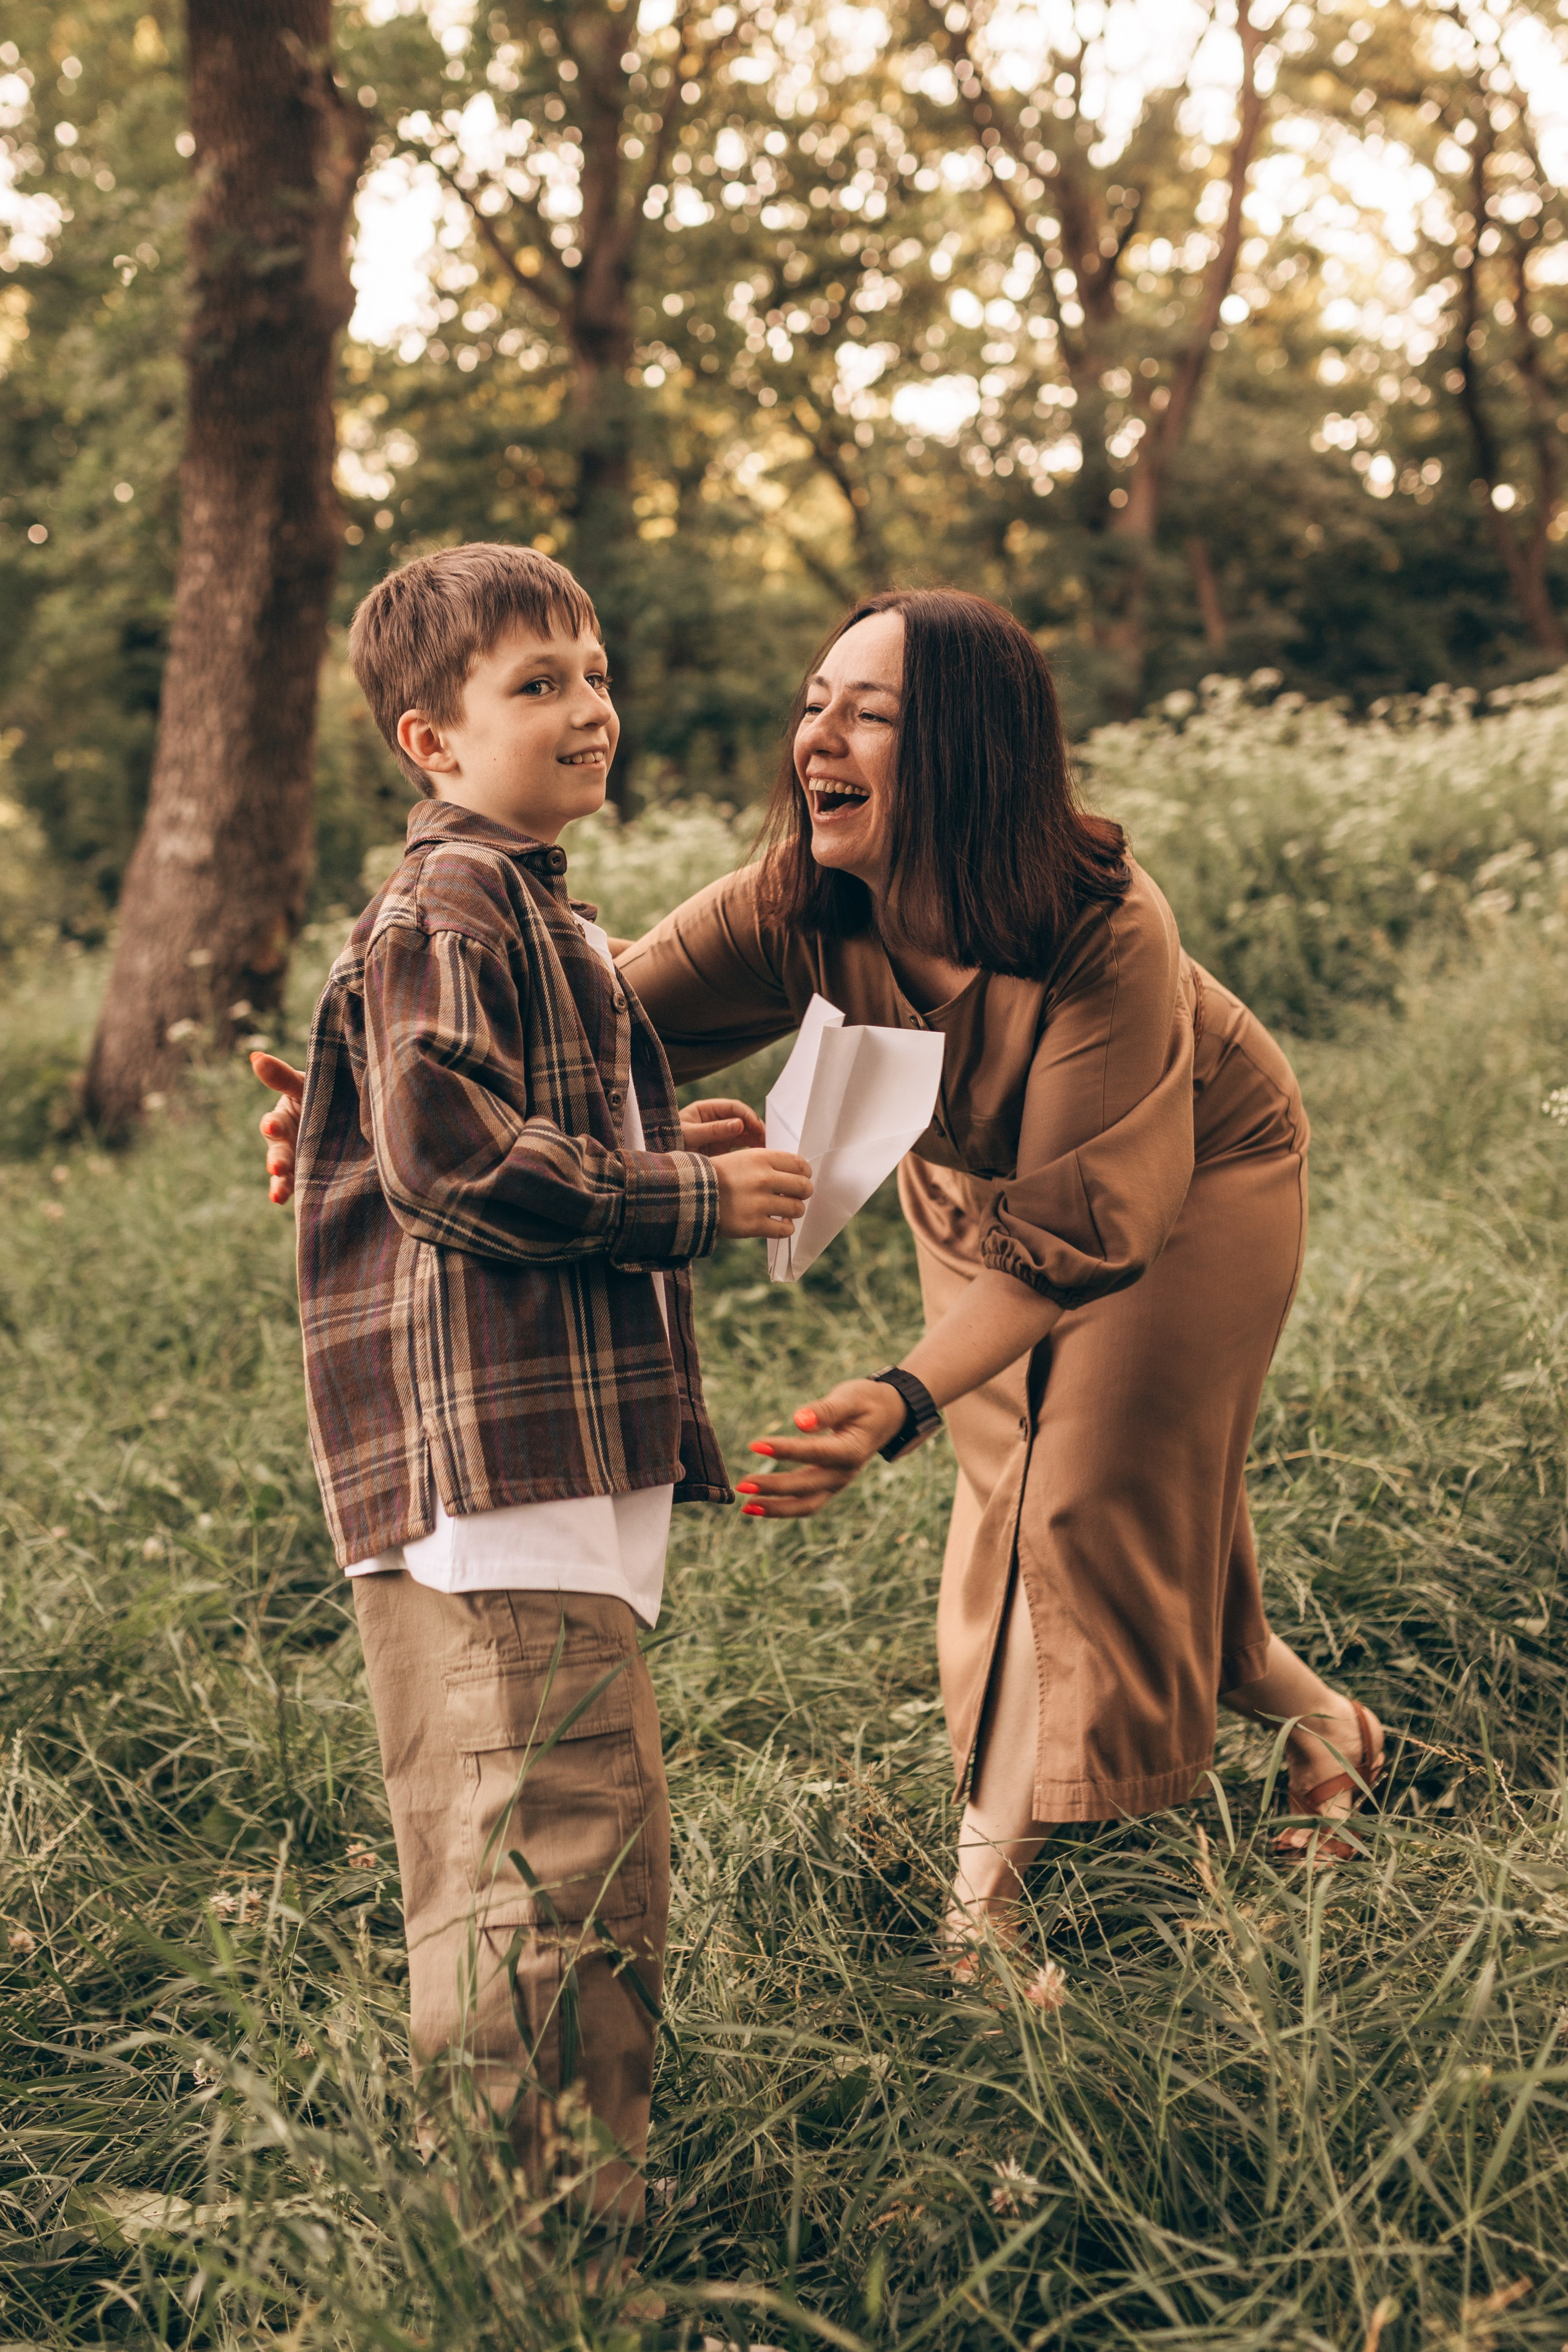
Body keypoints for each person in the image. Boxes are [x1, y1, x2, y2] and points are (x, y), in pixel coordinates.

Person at [260, 582, 1384, 1975]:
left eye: (871, 713)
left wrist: (896, 1396)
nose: (818, 737)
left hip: (1186, 1176)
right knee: (1049, 1502)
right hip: (969, 1181)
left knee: (1082, 1490)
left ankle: (978, 1920)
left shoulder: (1102, 922)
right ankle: (1322, 1721)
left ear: (970, 748)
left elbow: (1089, 1221)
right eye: (813, 704)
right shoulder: (795, 905)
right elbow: (576, 1019)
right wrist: (361, 1104)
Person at [277, 541, 810, 2240]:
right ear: (431, 740)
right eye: (537, 685)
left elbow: (510, 1128)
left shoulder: (527, 904)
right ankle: (554, 2264)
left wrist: (677, 1142)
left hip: (517, 1471)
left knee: (501, 1849)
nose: (590, 707)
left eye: (590, 671)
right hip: (503, 1472)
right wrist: (692, 1202)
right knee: (560, 1864)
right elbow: (447, 1156)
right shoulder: (454, 905)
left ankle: (504, 2246)